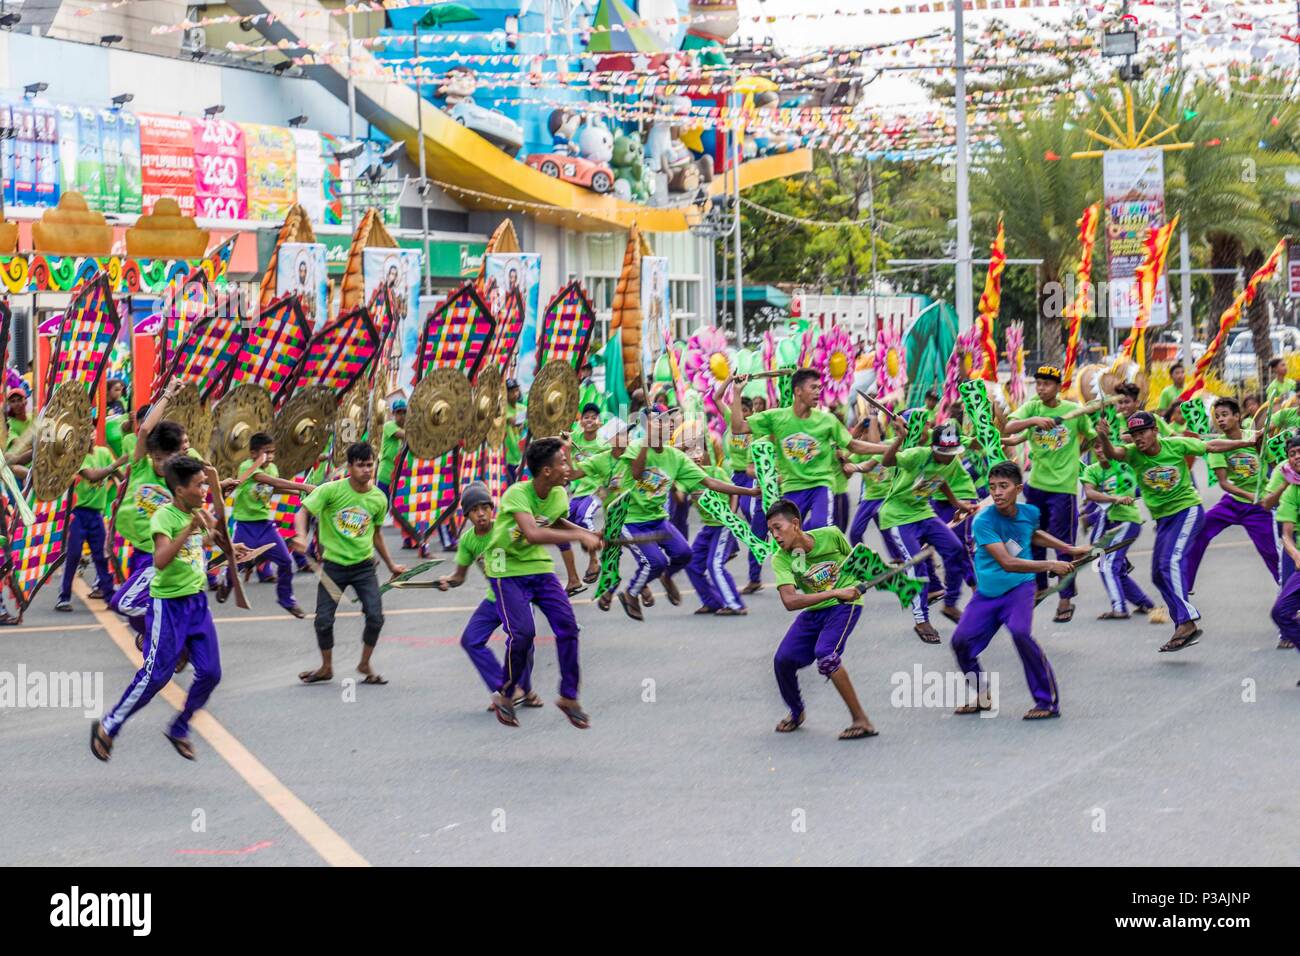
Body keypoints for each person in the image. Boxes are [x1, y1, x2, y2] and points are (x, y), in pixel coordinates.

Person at [92, 455, 223, 762]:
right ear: (180, 490)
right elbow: (161, 560)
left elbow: (206, 545)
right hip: (169, 607)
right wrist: (190, 529)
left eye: (205, 483)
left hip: (197, 605)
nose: (204, 489)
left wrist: (224, 545)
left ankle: (179, 727)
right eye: (199, 484)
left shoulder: (198, 513)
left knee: (211, 673)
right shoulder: (164, 517)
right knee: (156, 676)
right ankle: (110, 724)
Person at [1095, 410, 1259, 652]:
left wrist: (1247, 441)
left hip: (1187, 510)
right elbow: (1113, 453)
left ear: (1155, 431)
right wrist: (1105, 438)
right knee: (1157, 575)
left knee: (1169, 562)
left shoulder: (1176, 445)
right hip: (1163, 519)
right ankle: (1184, 623)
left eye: (1143, 432)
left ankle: (1186, 620)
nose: (1139, 438)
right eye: (1134, 434)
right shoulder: (1132, 454)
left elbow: (1210, 446)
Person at [949, 460, 1088, 720]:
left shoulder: (1029, 512)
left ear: (1018, 488)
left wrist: (1069, 549)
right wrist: (1051, 564)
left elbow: (1033, 534)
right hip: (988, 594)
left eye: (1004, 486)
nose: (998, 492)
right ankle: (981, 695)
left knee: (1021, 633)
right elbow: (1008, 562)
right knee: (960, 643)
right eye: (992, 487)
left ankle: (1047, 702)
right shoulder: (983, 522)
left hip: (1019, 590)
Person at [484, 437, 602, 730]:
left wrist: (589, 533)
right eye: (562, 462)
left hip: (537, 566)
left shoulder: (560, 495)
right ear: (546, 471)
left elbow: (557, 522)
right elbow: (535, 533)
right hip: (504, 565)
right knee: (523, 633)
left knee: (568, 627)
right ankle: (506, 693)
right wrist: (580, 538)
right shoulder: (517, 494)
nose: (568, 468)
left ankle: (569, 697)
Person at [615, 412, 759, 621]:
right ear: (652, 428)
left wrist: (748, 492)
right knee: (655, 562)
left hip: (657, 518)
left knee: (685, 554)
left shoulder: (676, 457)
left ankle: (666, 577)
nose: (672, 427)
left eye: (673, 424)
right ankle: (631, 593)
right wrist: (647, 441)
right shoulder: (637, 445)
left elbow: (710, 482)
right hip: (631, 520)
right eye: (665, 423)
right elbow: (637, 473)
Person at [292, 442, 406, 686]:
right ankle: (326, 667)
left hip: (364, 568)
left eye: (370, 464)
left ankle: (365, 663)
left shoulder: (378, 498)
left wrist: (392, 565)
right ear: (350, 467)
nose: (367, 470)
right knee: (323, 620)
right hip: (333, 568)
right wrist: (301, 535)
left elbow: (376, 534)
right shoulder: (331, 491)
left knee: (375, 617)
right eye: (361, 465)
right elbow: (302, 512)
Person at [766, 498, 877, 740]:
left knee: (826, 656)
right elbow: (790, 601)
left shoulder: (830, 535)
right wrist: (835, 591)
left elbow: (855, 562)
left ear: (795, 524)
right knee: (782, 660)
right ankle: (796, 712)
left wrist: (869, 564)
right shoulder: (782, 558)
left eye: (778, 528)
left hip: (844, 607)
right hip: (817, 607)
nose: (775, 535)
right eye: (771, 531)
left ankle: (862, 720)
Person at [729, 368, 887, 532]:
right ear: (798, 391)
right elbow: (738, 427)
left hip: (821, 485)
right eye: (813, 387)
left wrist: (886, 448)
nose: (818, 392)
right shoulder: (776, 418)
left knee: (821, 528)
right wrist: (736, 391)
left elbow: (853, 445)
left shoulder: (827, 420)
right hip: (791, 487)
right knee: (790, 536)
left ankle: (825, 549)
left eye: (819, 388)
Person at [1001, 364, 1095, 624]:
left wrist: (1088, 444)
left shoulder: (1072, 412)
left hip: (1063, 490)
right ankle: (1040, 586)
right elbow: (1009, 427)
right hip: (1037, 486)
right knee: (1033, 539)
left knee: (1063, 545)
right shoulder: (1033, 407)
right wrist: (1033, 421)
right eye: (1038, 383)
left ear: (1058, 387)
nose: (1041, 388)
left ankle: (1065, 599)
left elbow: (1091, 436)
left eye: (1046, 384)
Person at [438, 482, 540, 709]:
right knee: (470, 640)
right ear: (467, 514)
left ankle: (524, 690)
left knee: (523, 643)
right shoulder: (467, 540)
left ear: (492, 509)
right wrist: (447, 581)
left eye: (485, 507)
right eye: (475, 510)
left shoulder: (507, 528)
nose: (481, 513)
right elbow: (459, 576)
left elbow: (531, 533)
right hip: (495, 598)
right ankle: (506, 688)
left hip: (519, 596)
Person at [878, 420, 978, 641]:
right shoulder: (917, 455)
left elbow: (940, 479)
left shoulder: (951, 459)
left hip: (923, 512)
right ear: (933, 448)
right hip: (898, 516)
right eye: (944, 452)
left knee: (956, 549)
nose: (949, 456)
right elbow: (886, 461)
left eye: (953, 452)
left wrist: (957, 503)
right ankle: (921, 620)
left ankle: (950, 604)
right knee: (917, 564)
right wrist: (900, 439)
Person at [1184, 398, 1278, 590]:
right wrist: (1251, 497)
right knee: (1199, 532)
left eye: (1225, 415)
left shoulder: (1255, 436)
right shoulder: (1217, 446)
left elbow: (1274, 466)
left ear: (1237, 416)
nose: (1220, 420)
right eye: (1217, 416)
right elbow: (1224, 483)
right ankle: (1184, 586)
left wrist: (1271, 493)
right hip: (1234, 502)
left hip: (1259, 506)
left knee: (1271, 552)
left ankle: (1290, 595)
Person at [229, 432, 313, 618]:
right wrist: (302, 487)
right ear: (253, 454)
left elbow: (273, 487)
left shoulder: (272, 468)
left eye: (273, 452)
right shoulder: (247, 467)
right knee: (235, 565)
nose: (271, 456)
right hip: (245, 526)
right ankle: (226, 586)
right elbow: (267, 480)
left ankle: (286, 599)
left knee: (285, 561)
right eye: (266, 452)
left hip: (266, 526)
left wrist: (295, 492)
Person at [1080, 438, 1153, 619]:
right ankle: (1145, 603)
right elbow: (1089, 493)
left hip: (1127, 523)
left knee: (1109, 566)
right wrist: (1113, 499)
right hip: (1106, 523)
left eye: (1103, 446)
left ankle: (1119, 608)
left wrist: (1121, 497)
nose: (1100, 450)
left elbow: (1131, 489)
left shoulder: (1123, 468)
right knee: (1105, 564)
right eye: (1096, 446)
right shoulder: (1092, 470)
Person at [55, 443, 126, 611]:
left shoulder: (103, 452)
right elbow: (92, 476)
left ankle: (109, 597)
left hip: (96, 514)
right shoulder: (76, 457)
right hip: (77, 514)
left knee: (101, 556)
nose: (91, 434)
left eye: (92, 429)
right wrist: (116, 464)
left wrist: (131, 479)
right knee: (73, 555)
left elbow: (121, 476)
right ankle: (63, 597)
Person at [685, 435, 746, 616]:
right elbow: (680, 499)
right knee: (692, 564)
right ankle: (712, 601)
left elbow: (734, 492)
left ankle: (735, 604)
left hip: (723, 525)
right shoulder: (686, 479)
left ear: (705, 454)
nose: (695, 456)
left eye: (698, 451)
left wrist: (732, 514)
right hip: (708, 528)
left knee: (714, 564)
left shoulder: (715, 472)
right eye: (689, 452)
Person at [557, 404, 610, 590]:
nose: (589, 420)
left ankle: (594, 560)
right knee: (559, 527)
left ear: (599, 422)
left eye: (593, 417)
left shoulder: (603, 445)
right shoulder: (575, 437)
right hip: (578, 491)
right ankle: (573, 579)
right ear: (580, 421)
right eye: (585, 417)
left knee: (583, 517)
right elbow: (559, 438)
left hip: (596, 490)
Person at [1266, 436, 1300, 676]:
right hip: (1298, 552)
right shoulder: (1289, 485)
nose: (1297, 456)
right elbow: (1286, 533)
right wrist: (1295, 553)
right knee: (1281, 610)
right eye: (1293, 453)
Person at [504, 379, 524, 484]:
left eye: (516, 390)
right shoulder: (503, 410)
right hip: (508, 458)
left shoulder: (523, 408)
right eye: (511, 391)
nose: (515, 394)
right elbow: (513, 421)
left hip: (522, 458)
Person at [4, 386, 29, 452]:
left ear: (26, 401)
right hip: (21, 461)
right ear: (9, 404)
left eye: (19, 400)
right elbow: (22, 446)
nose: (16, 404)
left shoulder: (34, 416)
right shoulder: (8, 424)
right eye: (13, 401)